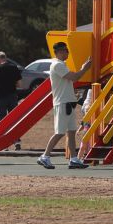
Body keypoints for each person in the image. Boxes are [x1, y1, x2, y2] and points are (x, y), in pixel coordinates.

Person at [37, 42, 92, 170]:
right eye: (66, 50)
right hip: (62, 103)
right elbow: (74, 77)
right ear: (60, 52)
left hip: (68, 103)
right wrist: (85, 68)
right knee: (59, 132)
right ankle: (44, 156)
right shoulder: (57, 65)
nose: (68, 53)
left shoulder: (61, 64)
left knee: (71, 132)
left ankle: (74, 159)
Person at [0, 51, 23, 150]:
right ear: (5, 58)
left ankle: (4, 144)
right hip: (12, 96)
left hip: (1, 97)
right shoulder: (14, 68)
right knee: (14, 119)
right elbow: (19, 84)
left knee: (2, 120)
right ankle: (16, 141)